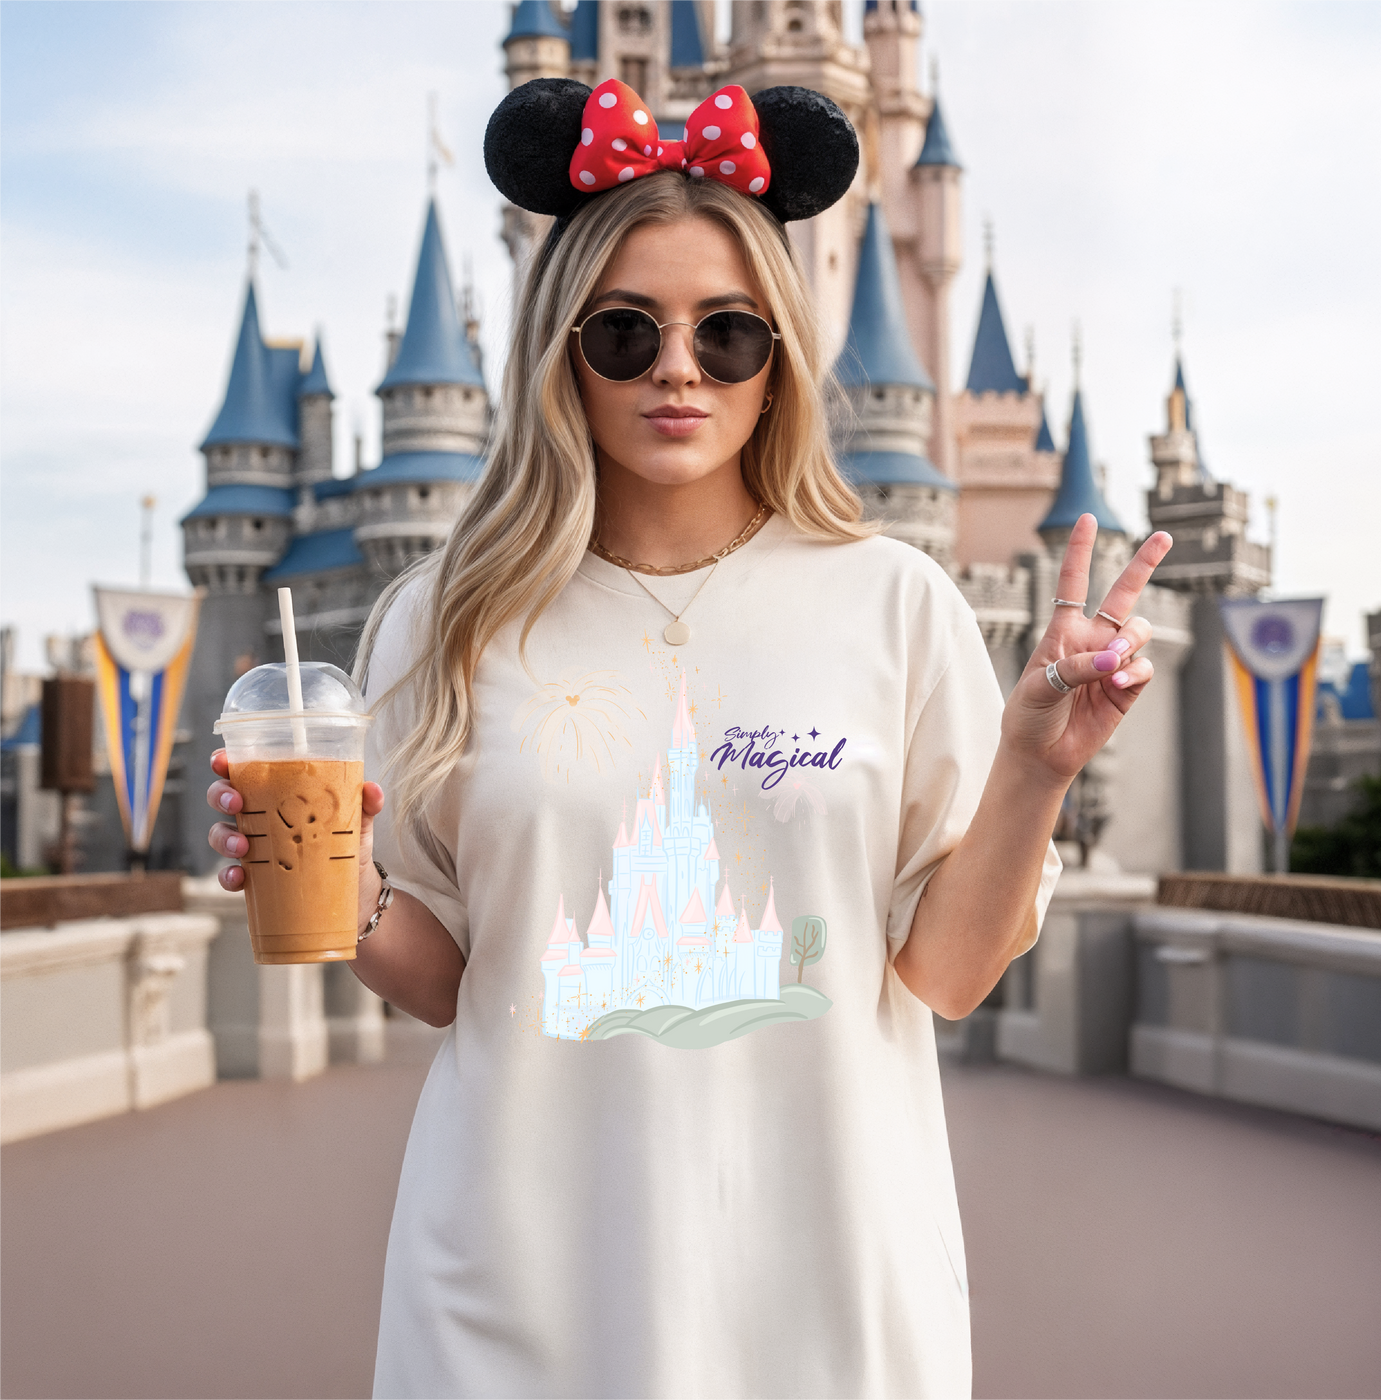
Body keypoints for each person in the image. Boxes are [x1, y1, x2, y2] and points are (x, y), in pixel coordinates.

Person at [207, 78, 1171, 1400]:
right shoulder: (442, 621)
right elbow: (447, 979)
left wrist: (1035, 769)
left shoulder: (895, 604)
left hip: (828, 1285)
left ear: (782, 357)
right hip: (518, 1287)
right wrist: (346, 888)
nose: (677, 367)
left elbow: (944, 975)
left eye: (728, 334)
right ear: (560, 350)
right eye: (625, 332)